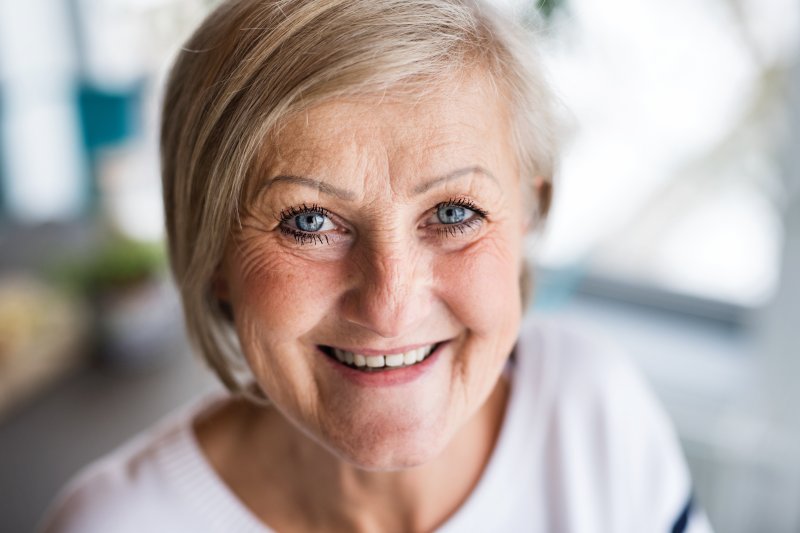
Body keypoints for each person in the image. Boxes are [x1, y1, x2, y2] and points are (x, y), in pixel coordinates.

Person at [41, 0, 713, 531]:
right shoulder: (112, 524)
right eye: (308, 221)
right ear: (212, 253)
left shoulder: (592, 412)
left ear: (529, 214)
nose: (390, 303)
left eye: (454, 213)